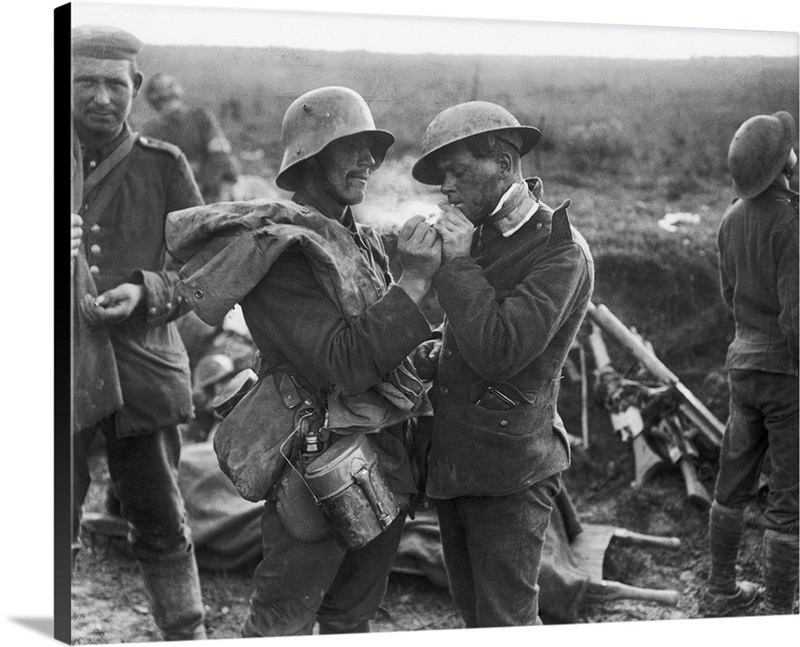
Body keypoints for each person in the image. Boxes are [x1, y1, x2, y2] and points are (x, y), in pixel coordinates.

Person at [165, 86, 442, 636]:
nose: (369, 160)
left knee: (350, 618)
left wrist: (424, 352)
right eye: (353, 147)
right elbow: (342, 362)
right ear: (310, 157)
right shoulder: (282, 251)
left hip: (384, 462)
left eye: (373, 148)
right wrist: (413, 281)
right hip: (317, 465)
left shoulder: (356, 241)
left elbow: (379, 343)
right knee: (280, 625)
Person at [409, 101, 595, 627]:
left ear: (505, 164)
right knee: (475, 617)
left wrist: (457, 263)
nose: (445, 186)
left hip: (510, 472)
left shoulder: (560, 252)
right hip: (458, 463)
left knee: (505, 622)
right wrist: (436, 352)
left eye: (458, 170)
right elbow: (473, 327)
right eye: (442, 174)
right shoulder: (483, 231)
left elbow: (500, 349)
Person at [70, 25, 207, 640]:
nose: (101, 96)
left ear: (137, 87)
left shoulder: (164, 165)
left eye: (114, 84)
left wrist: (148, 290)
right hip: (55, 373)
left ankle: (186, 631)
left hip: (141, 372)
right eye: (84, 82)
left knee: (158, 517)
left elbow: (205, 269)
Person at [700, 110, 798, 617]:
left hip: (744, 366)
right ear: (785, 164)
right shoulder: (792, 221)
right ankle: (782, 614)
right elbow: (797, 317)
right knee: (789, 499)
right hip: (787, 375)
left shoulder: (731, 217)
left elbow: (729, 294)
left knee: (732, 484)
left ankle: (721, 589)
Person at [142, 72, 240, 203]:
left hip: (210, 191)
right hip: (180, 196)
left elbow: (221, 156)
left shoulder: (200, 116)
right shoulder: (151, 130)